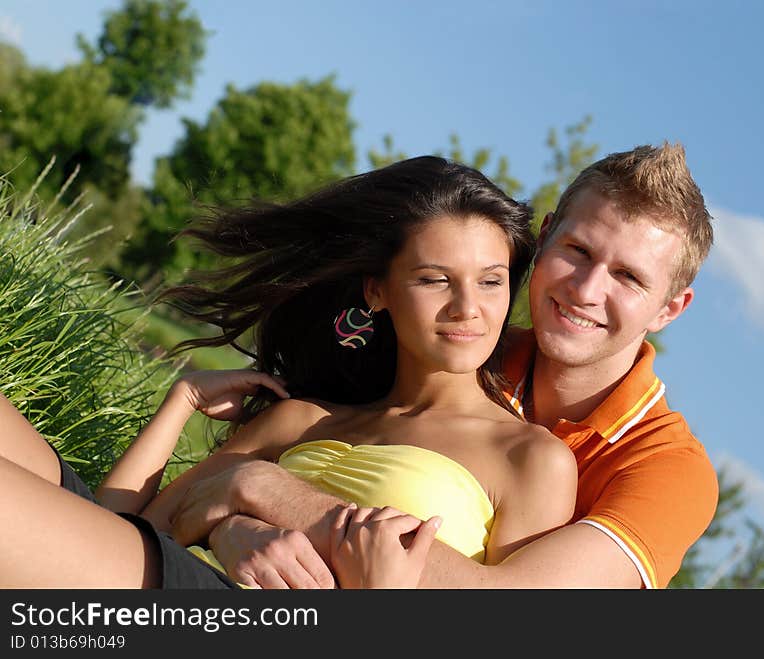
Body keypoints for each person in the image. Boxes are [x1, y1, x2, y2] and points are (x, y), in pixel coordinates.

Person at [0, 155, 577, 589]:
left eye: (491, 280)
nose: (466, 307)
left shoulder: (531, 459)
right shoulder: (303, 420)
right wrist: (232, 525)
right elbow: (127, 524)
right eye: (434, 279)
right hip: (162, 581)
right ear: (377, 291)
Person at [169, 142, 719, 589]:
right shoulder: (462, 344)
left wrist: (264, 493)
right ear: (545, 235)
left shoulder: (671, 470)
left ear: (671, 308)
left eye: (628, 277)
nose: (587, 289)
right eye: (577, 250)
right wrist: (231, 526)